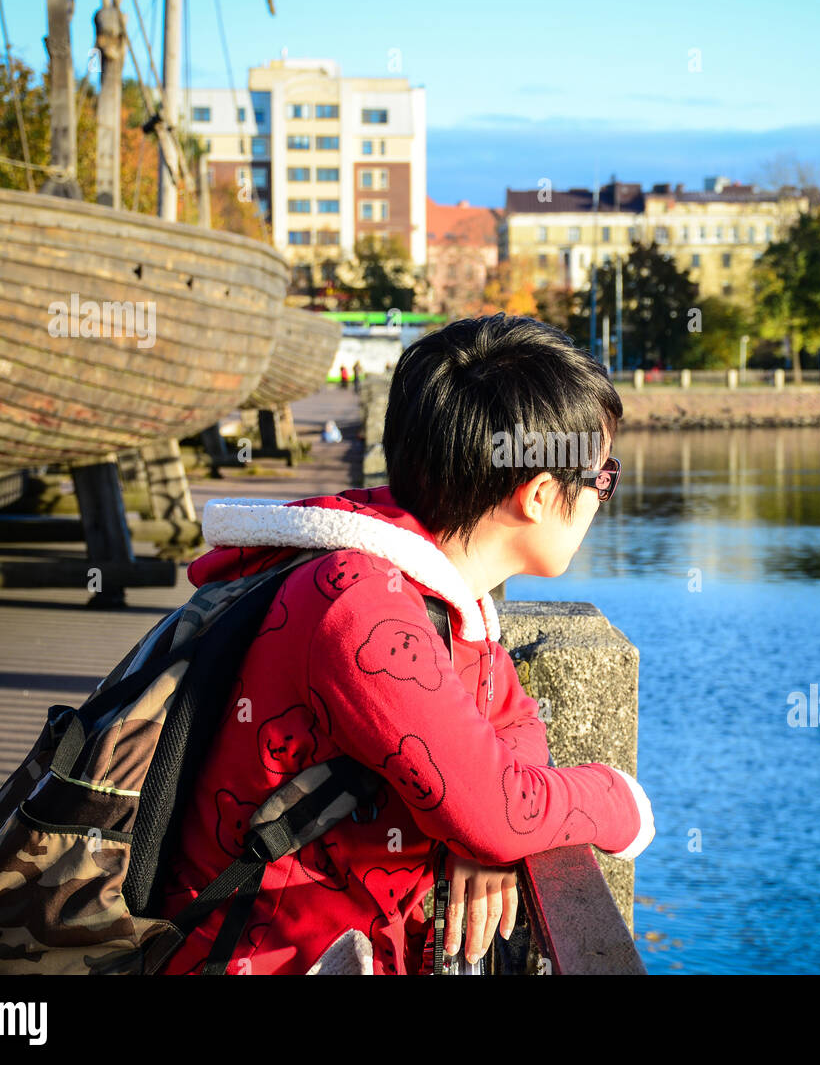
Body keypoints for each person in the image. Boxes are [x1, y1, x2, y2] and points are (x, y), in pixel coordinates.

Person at [160, 313, 653, 975]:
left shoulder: (445, 597)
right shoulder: (362, 605)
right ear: (538, 495)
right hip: (255, 958)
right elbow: (502, 809)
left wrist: (479, 821)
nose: (601, 496)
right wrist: (620, 801)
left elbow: (511, 719)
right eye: (602, 477)